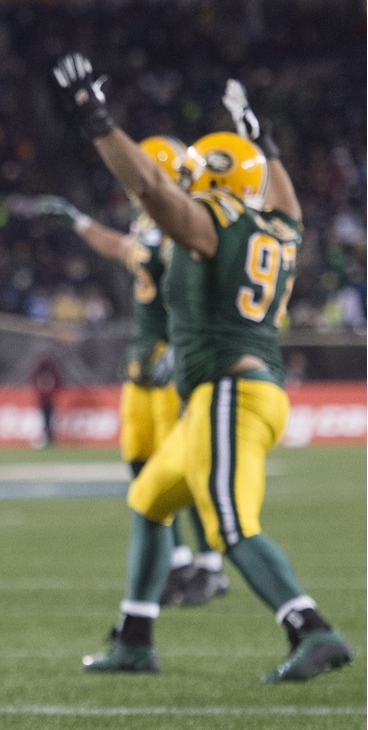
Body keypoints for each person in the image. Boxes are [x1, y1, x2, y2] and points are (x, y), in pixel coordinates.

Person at [51, 52, 354, 682]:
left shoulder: (211, 224)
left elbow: (152, 189)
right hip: (243, 391)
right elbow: (285, 193)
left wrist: (98, 121)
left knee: (232, 525)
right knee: (150, 498)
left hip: (227, 392)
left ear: (208, 180)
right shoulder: (282, 224)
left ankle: (312, 627)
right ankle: (135, 637)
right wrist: (262, 140)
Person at [17, 137, 229, 607]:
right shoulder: (151, 224)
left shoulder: (188, 224)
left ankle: (211, 566)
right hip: (142, 363)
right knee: (142, 464)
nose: (131, 184)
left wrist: (183, 343)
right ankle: (175, 563)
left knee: (187, 468)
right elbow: (122, 247)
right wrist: (79, 221)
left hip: (172, 362)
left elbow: (200, 292)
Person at [30, 353, 62, 446]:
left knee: (47, 420)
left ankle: (48, 438)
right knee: (47, 420)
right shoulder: (50, 371)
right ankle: (48, 438)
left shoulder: (43, 372)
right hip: (46, 399)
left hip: (47, 399)